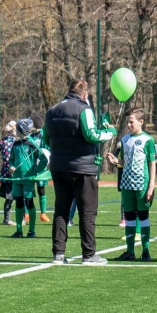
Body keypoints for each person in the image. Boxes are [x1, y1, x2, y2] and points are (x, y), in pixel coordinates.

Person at [43, 78, 116, 265]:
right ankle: (89, 254)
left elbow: (45, 138)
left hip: (59, 167)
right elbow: (91, 134)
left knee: (61, 210)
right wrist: (110, 133)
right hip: (82, 167)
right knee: (87, 211)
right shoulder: (84, 109)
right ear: (85, 94)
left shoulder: (51, 111)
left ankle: (58, 253)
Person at [106, 109, 156, 261]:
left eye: (131, 121)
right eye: (128, 121)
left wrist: (151, 186)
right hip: (127, 184)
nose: (128, 124)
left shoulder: (148, 140)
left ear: (141, 122)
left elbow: (152, 163)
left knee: (143, 217)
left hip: (141, 184)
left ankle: (146, 251)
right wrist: (116, 161)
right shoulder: (125, 139)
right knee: (129, 217)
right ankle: (129, 252)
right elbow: (124, 161)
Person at [9, 118, 43, 239]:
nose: (15, 131)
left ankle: (31, 230)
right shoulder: (16, 144)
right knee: (18, 203)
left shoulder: (32, 144)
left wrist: (36, 170)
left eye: (16, 129)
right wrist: (12, 166)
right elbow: (11, 159)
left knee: (29, 203)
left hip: (28, 179)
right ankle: (19, 230)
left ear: (21, 131)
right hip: (17, 179)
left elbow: (43, 158)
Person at [0, 121, 16, 225]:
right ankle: (7, 219)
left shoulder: (4, 141)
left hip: (7, 170)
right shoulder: (11, 141)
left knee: (14, 196)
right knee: (10, 196)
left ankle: (19, 218)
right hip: (10, 171)